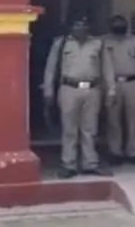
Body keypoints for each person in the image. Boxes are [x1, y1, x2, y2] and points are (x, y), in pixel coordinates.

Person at [43, 16, 116, 178]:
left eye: (84, 25)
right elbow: (51, 68)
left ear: (88, 27)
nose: (80, 28)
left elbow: (107, 68)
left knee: (90, 129)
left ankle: (90, 163)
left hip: (92, 90)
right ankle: (68, 164)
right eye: (77, 25)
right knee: (69, 129)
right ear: (71, 27)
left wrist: (111, 90)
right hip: (69, 89)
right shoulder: (61, 43)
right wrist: (48, 90)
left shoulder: (98, 43)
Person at [103, 14, 135, 165]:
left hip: (133, 82)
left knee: (134, 119)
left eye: (121, 24)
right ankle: (115, 151)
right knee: (113, 119)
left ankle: (133, 151)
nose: (119, 27)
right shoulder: (103, 41)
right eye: (115, 24)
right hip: (112, 83)